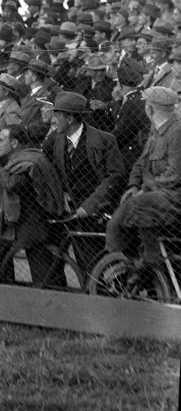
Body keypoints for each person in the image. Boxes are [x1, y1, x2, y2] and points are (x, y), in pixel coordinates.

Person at [105, 87, 181, 286]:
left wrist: (145, 188)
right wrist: (133, 185)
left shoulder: (177, 132)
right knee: (114, 224)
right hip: (154, 194)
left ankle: (150, 261)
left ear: (150, 109)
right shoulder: (156, 130)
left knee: (139, 203)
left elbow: (174, 176)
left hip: (172, 195)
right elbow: (141, 162)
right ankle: (136, 266)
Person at [43, 92, 125, 274]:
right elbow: (47, 168)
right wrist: (61, 193)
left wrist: (89, 206)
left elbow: (115, 177)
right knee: (84, 264)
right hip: (73, 211)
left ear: (70, 118)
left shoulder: (104, 140)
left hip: (100, 212)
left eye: (57, 115)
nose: (53, 119)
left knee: (104, 264)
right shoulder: (54, 140)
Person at [0, 124, 66, 286]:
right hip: (36, 222)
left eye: (1, 140)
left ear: (14, 143)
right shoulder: (32, 155)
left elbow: (13, 184)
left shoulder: (24, 162)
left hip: (27, 226)